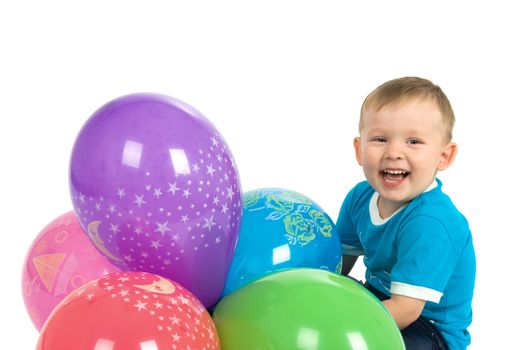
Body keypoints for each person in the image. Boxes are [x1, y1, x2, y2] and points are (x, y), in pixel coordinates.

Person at [336, 77, 476, 350]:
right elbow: (338, 264)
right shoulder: (360, 197)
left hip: (428, 329)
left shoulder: (431, 223)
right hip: (378, 298)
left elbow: (406, 309)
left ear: (443, 157)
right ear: (359, 149)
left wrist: (340, 326)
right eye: (380, 139)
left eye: (413, 141)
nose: (394, 152)